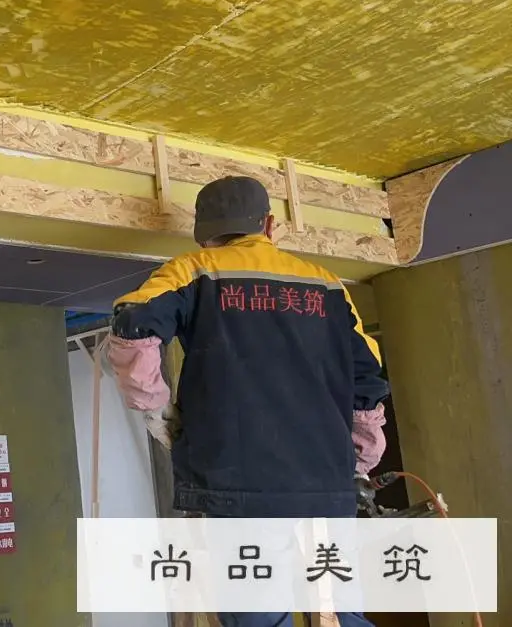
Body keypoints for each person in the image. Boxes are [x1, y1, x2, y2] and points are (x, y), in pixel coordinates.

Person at [101, 175, 390, 627]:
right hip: (326, 485)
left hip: (238, 484)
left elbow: (133, 327)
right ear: (269, 225)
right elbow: (367, 377)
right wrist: (358, 460)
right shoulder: (328, 285)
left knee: (258, 617)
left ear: (203, 233)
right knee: (340, 612)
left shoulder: (193, 270)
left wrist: (158, 411)